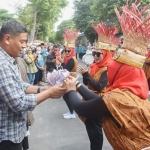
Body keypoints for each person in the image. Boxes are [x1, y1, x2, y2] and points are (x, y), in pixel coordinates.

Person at [62, 2, 150, 150]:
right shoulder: (131, 94)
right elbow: (102, 100)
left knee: (95, 136)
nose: (96, 56)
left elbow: (82, 107)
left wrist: (70, 89)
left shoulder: (117, 97)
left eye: (114, 67)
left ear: (122, 71)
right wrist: (77, 85)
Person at [0, 20, 66, 150]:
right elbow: (18, 103)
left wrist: (43, 88)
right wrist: (49, 93)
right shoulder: (2, 64)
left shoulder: (9, 59)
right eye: (22, 41)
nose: (25, 46)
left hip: (15, 132)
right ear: (7, 39)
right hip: (7, 137)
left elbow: (21, 85)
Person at [77, 22, 116, 150]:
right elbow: (87, 83)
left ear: (105, 54)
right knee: (91, 129)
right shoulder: (94, 66)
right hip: (90, 98)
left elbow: (99, 87)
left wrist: (86, 75)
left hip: (98, 101)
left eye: (98, 54)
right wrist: (85, 74)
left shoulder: (107, 68)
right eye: (94, 53)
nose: (95, 56)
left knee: (95, 132)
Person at [61, 29, 78, 119]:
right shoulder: (68, 58)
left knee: (68, 96)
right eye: (65, 50)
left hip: (70, 78)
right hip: (68, 77)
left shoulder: (72, 59)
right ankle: (70, 111)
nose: (66, 52)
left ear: (72, 51)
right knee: (66, 96)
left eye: (68, 51)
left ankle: (72, 112)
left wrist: (61, 62)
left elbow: (66, 69)